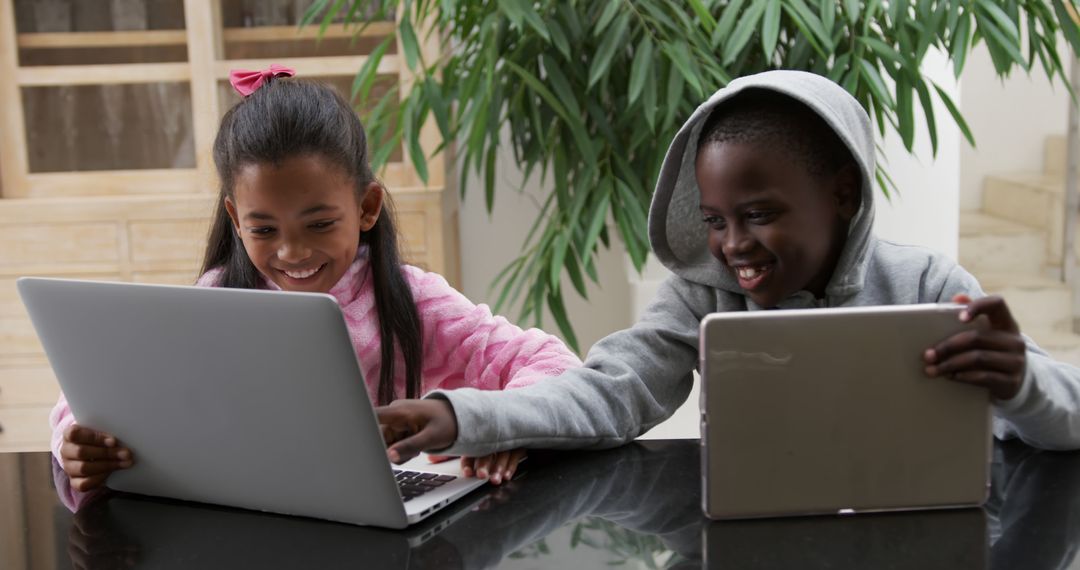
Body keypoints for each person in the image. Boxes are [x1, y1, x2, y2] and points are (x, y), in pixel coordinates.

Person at [375, 70, 1080, 461]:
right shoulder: (700, 298)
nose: (733, 244)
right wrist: (459, 412)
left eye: (760, 214)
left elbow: (1064, 419)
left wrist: (1021, 381)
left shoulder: (929, 285)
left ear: (841, 193)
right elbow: (609, 393)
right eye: (714, 220)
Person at [49, 66, 581, 495]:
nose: (293, 251)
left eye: (320, 223)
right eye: (263, 228)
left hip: (375, 522)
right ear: (236, 220)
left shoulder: (410, 298)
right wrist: (75, 440)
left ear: (366, 206)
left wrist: (501, 423)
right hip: (240, 519)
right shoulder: (214, 299)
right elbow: (97, 393)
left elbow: (556, 366)